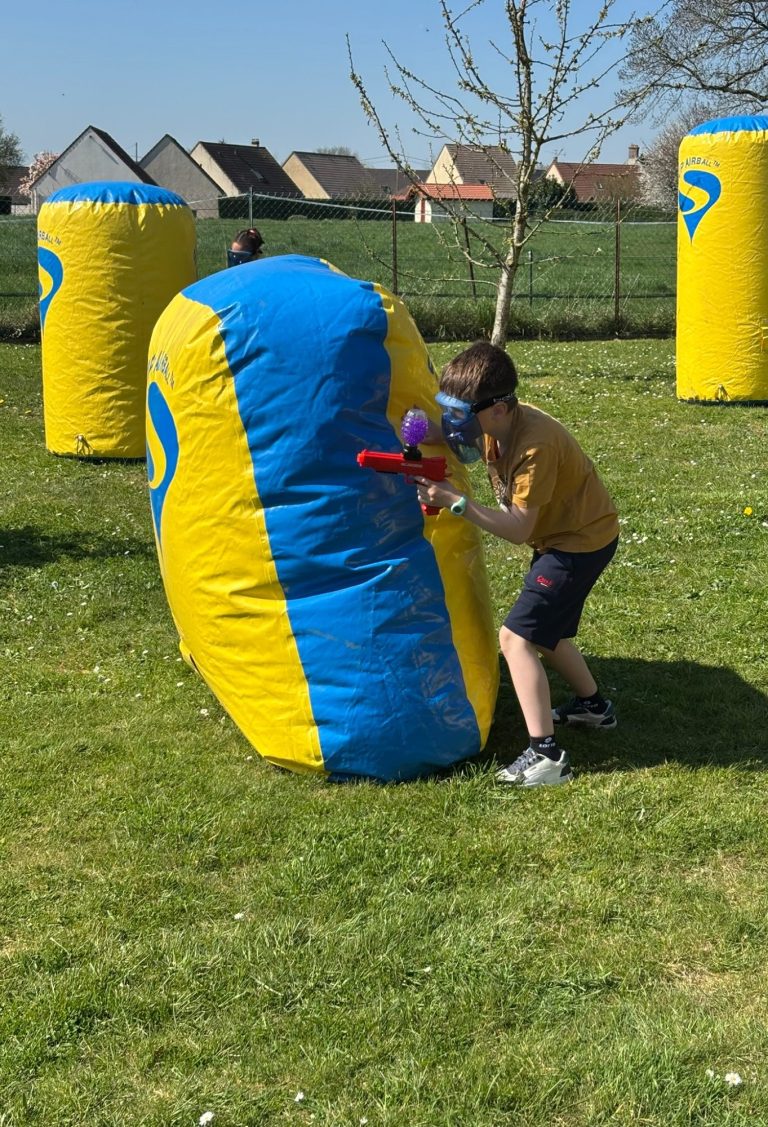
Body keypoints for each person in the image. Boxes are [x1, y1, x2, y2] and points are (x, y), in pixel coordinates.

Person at [413, 341, 619, 788]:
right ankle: (594, 708)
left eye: (459, 414)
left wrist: (456, 502)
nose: (453, 422)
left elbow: (518, 529)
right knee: (547, 633)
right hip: (567, 538)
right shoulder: (493, 422)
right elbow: (451, 435)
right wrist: (409, 431)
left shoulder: (535, 445)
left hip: (578, 544)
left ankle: (547, 756)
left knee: (516, 638)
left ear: (499, 410)